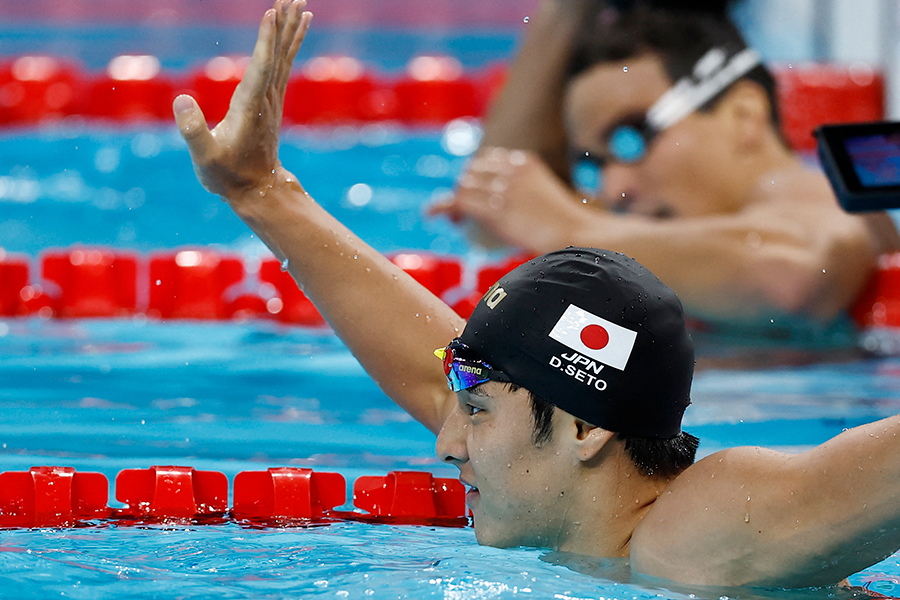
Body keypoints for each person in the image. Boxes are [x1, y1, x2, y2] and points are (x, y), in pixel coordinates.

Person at [172, 0, 900, 587]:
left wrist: (564, 220)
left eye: (634, 137)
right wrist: (260, 192)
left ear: (588, 431)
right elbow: (449, 382)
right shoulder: (588, 497)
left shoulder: (696, 538)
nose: (444, 444)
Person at [430, 0, 900, 325]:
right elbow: (489, 226)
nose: (616, 189)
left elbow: (795, 275)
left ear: (744, 114)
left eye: (631, 139)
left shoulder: (813, 194)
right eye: (597, 163)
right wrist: (567, 11)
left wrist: (568, 228)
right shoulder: (665, 234)